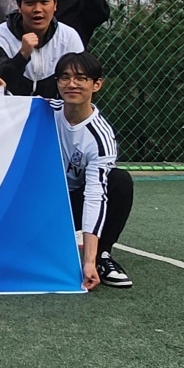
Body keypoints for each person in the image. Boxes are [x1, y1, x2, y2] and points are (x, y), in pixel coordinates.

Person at [50, 51, 135, 289]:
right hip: (40, 201)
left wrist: (87, 260)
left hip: (71, 206)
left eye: (81, 78)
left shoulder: (100, 138)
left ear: (96, 84)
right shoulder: (43, 112)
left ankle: (101, 257)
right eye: (65, 77)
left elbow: (94, 196)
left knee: (119, 181)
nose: (72, 84)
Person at [0, 0, 85, 98]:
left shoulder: (69, 37)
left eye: (44, 2)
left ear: (55, 4)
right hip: (11, 106)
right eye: (30, 3)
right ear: (19, 6)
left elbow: (81, 81)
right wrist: (22, 56)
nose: (37, 9)